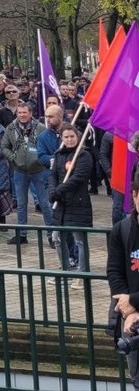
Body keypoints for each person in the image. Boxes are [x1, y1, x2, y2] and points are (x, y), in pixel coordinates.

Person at [2, 104, 54, 247]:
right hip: (19, 171)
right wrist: (12, 157)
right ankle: (22, 234)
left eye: (25, 112)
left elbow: (50, 148)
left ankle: (52, 236)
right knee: (21, 204)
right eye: (20, 112)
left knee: (44, 204)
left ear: (31, 113)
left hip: (38, 170)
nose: (22, 115)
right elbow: (4, 146)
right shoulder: (11, 128)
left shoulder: (41, 128)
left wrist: (41, 158)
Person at [108, 149, 139, 389]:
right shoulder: (121, 229)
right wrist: (128, 311)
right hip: (132, 322)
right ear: (135, 196)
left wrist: (135, 304)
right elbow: (115, 271)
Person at [48, 124, 93, 283]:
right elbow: (53, 175)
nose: (69, 139)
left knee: (79, 240)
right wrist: (52, 191)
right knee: (58, 238)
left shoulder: (84, 156)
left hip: (78, 203)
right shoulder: (59, 154)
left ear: (78, 137)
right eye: (66, 137)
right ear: (62, 138)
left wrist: (59, 190)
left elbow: (78, 178)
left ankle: (82, 275)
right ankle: (65, 270)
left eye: (72, 136)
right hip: (61, 205)